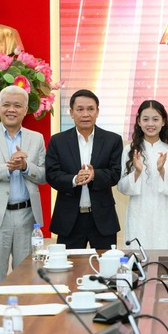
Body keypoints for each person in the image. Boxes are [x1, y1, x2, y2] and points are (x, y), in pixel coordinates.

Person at [0, 85, 46, 294]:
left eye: (17, 105)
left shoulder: (36, 138)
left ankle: (26, 321)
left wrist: (25, 167)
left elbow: (43, 175)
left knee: (26, 275)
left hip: (27, 216)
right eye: (6, 105)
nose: (11, 109)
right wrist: (7, 168)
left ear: (25, 110)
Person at [46, 89, 122, 249]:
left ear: (97, 111)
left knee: (105, 268)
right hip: (69, 219)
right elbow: (52, 174)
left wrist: (95, 175)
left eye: (90, 109)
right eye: (80, 109)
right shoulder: (58, 141)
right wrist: (74, 179)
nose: (85, 114)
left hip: (102, 218)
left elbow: (115, 174)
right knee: (68, 269)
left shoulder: (112, 140)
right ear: (71, 112)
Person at [117, 100, 168, 249]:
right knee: (138, 258)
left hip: (165, 212)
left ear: (163, 121)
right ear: (139, 122)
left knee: (165, 257)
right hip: (138, 211)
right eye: (145, 119)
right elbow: (122, 187)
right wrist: (137, 172)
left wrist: (162, 171)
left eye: (155, 119)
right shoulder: (129, 150)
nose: (150, 124)